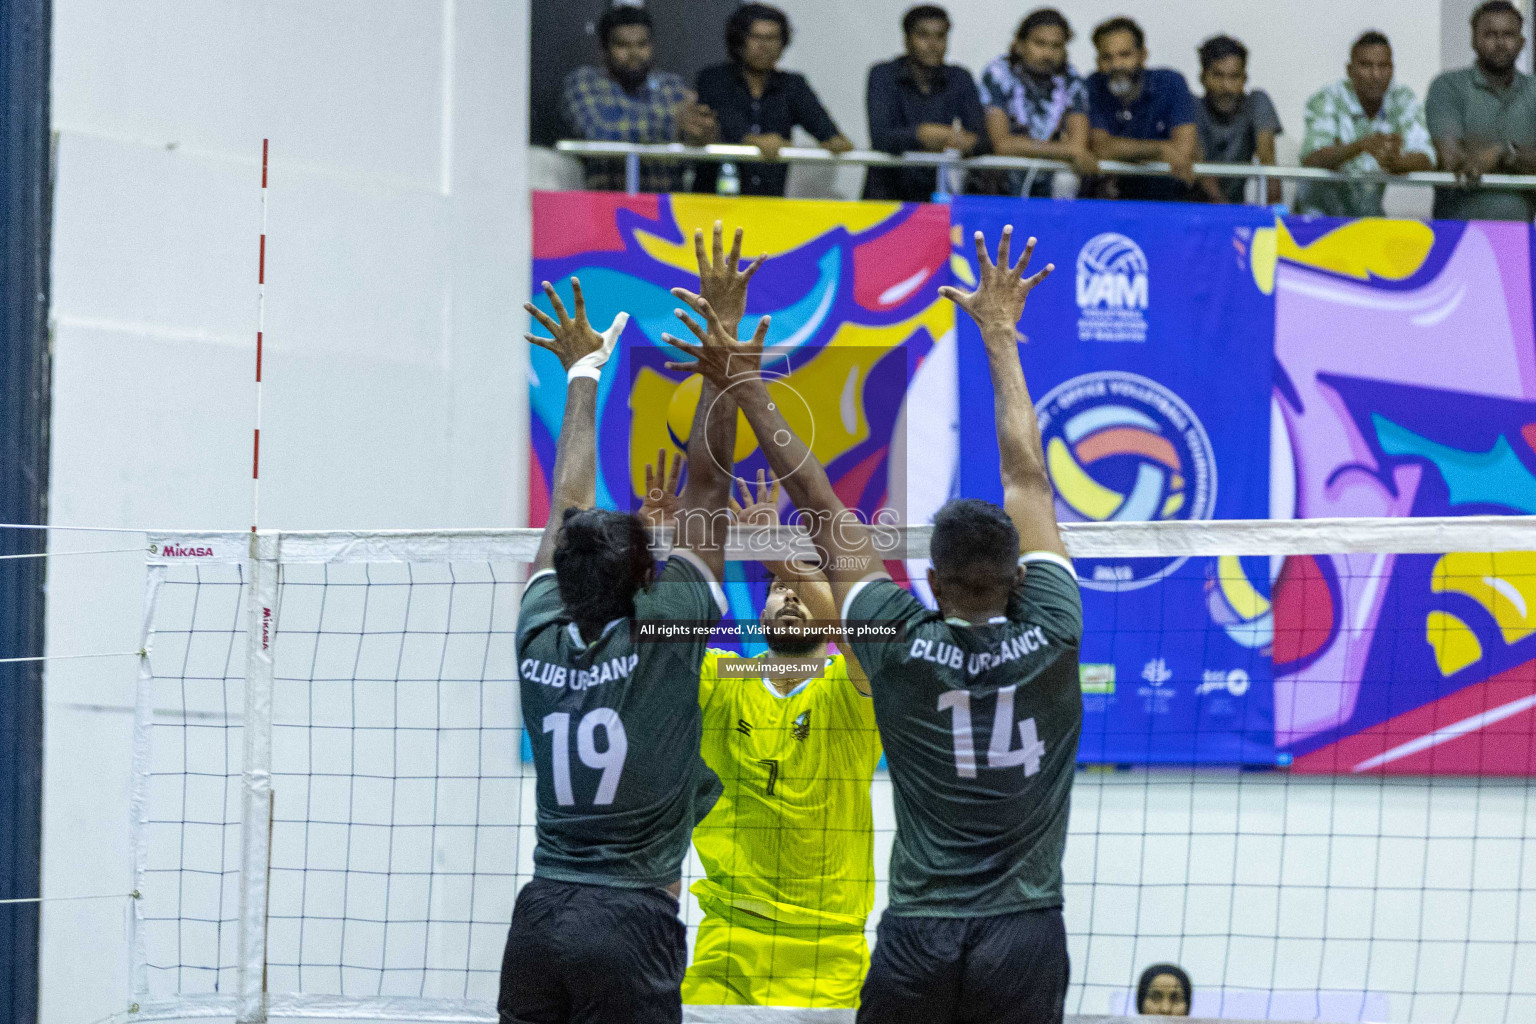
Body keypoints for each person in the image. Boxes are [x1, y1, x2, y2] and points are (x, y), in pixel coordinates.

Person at [663, 224, 1083, 1024]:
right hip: (1023, 930)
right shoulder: (1057, 630)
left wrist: (746, 385)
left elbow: (820, 508)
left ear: (929, 581)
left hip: (920, 930)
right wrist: (1000, 335)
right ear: (1019, 579)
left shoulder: (897, 643)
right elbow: (1028, 473)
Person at [499, 258, 739, 1020]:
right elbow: (711, 486)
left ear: (561, 577)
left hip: (539, 916)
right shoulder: (668, 630)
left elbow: (566, 502)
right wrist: (721, 349)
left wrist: (581, 373)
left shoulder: (538, 634)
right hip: (629, 920)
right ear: (643, 576)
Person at [695, 3, 854, 196]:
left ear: (783, 43)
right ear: (739, 40)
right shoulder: (713, 77)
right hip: (714, 199)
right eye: (756, 37)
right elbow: (727, 121)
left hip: (769, 203)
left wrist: (833, 141)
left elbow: (829, 133)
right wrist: (755, 141)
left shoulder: (792, 85)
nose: (764, 46)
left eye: (773, 38)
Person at [560, 5, 718, 192]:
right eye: (622, 45)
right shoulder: (585, 82)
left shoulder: (671, 85)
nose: (634, 53)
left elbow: (693, 137)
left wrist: (703, 132)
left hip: (667, 210)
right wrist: (672, 122)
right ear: (604, 50)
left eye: (642, 45)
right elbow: (600, 131)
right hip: (605, 207)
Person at [1297, 31, 1435, 217]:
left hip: (1368, 221)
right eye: (1366, 66)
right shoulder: (1327, 98)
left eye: (1383, 66)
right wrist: (1360, 146)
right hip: (1317, 221)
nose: (1375, 75)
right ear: (1350, 70)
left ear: (1392, 69)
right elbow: (1311, 158)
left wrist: (1398, 162)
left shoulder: (1401, 99)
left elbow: (1426, 158)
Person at [864, 4, 987, 202]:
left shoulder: (959, 78)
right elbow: (882, 137)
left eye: (940, 36)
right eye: (923, 35)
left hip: (941, 197)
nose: (933, 44)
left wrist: (963, 141)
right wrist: (925, 134)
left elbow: (982, 140)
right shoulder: (883, 74)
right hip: (888, 199)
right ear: (906, 39)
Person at [1427, 0, 1536, 220]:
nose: (1500, 43)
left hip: (1521, 237)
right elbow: (1453, 159)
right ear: (1473, 40)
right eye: (1490, 34)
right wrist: (1524, 156)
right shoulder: (1448, 86)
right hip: (1457, 234)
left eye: (1509, 35)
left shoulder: (1533, 90)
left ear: (1522, 42)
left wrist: (1503, 153)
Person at [975, 8, 1096, 198]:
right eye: (1040, 44)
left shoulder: (1072, 80)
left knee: (1067, 178)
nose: (1048, 53)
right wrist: (1066, 150)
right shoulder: (998, 74)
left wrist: (1068, 150)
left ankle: (1060, 227)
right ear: (1020, 44)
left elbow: (1078, 144)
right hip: (1003, 178)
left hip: (1052, 177)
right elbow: (1002, 144)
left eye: (1056, 46)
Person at [1086, 16, 1200, 201]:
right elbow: (1101, 147)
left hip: (1165, 199)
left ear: (1142, 55)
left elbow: (1183, 150)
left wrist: (1123, 151)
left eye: (1124, 55)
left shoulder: (1170, 83)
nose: (1116, 65)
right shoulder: (1092, 86)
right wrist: (1161, 150)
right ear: (1098, 60)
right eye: (1107, 57)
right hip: (1110, 201)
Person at [1192, 35, 1283, 205]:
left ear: (1244, 79)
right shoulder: (1192, 106)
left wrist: (1276, 217)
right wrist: (1229, 215)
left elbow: (1268, 160)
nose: (1226, 86)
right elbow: (1199, 164)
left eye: (1234, 77)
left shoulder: (1256, 102)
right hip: (1193, 211)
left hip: (1236, 210)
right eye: (1218, 76)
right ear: (1203, 78)